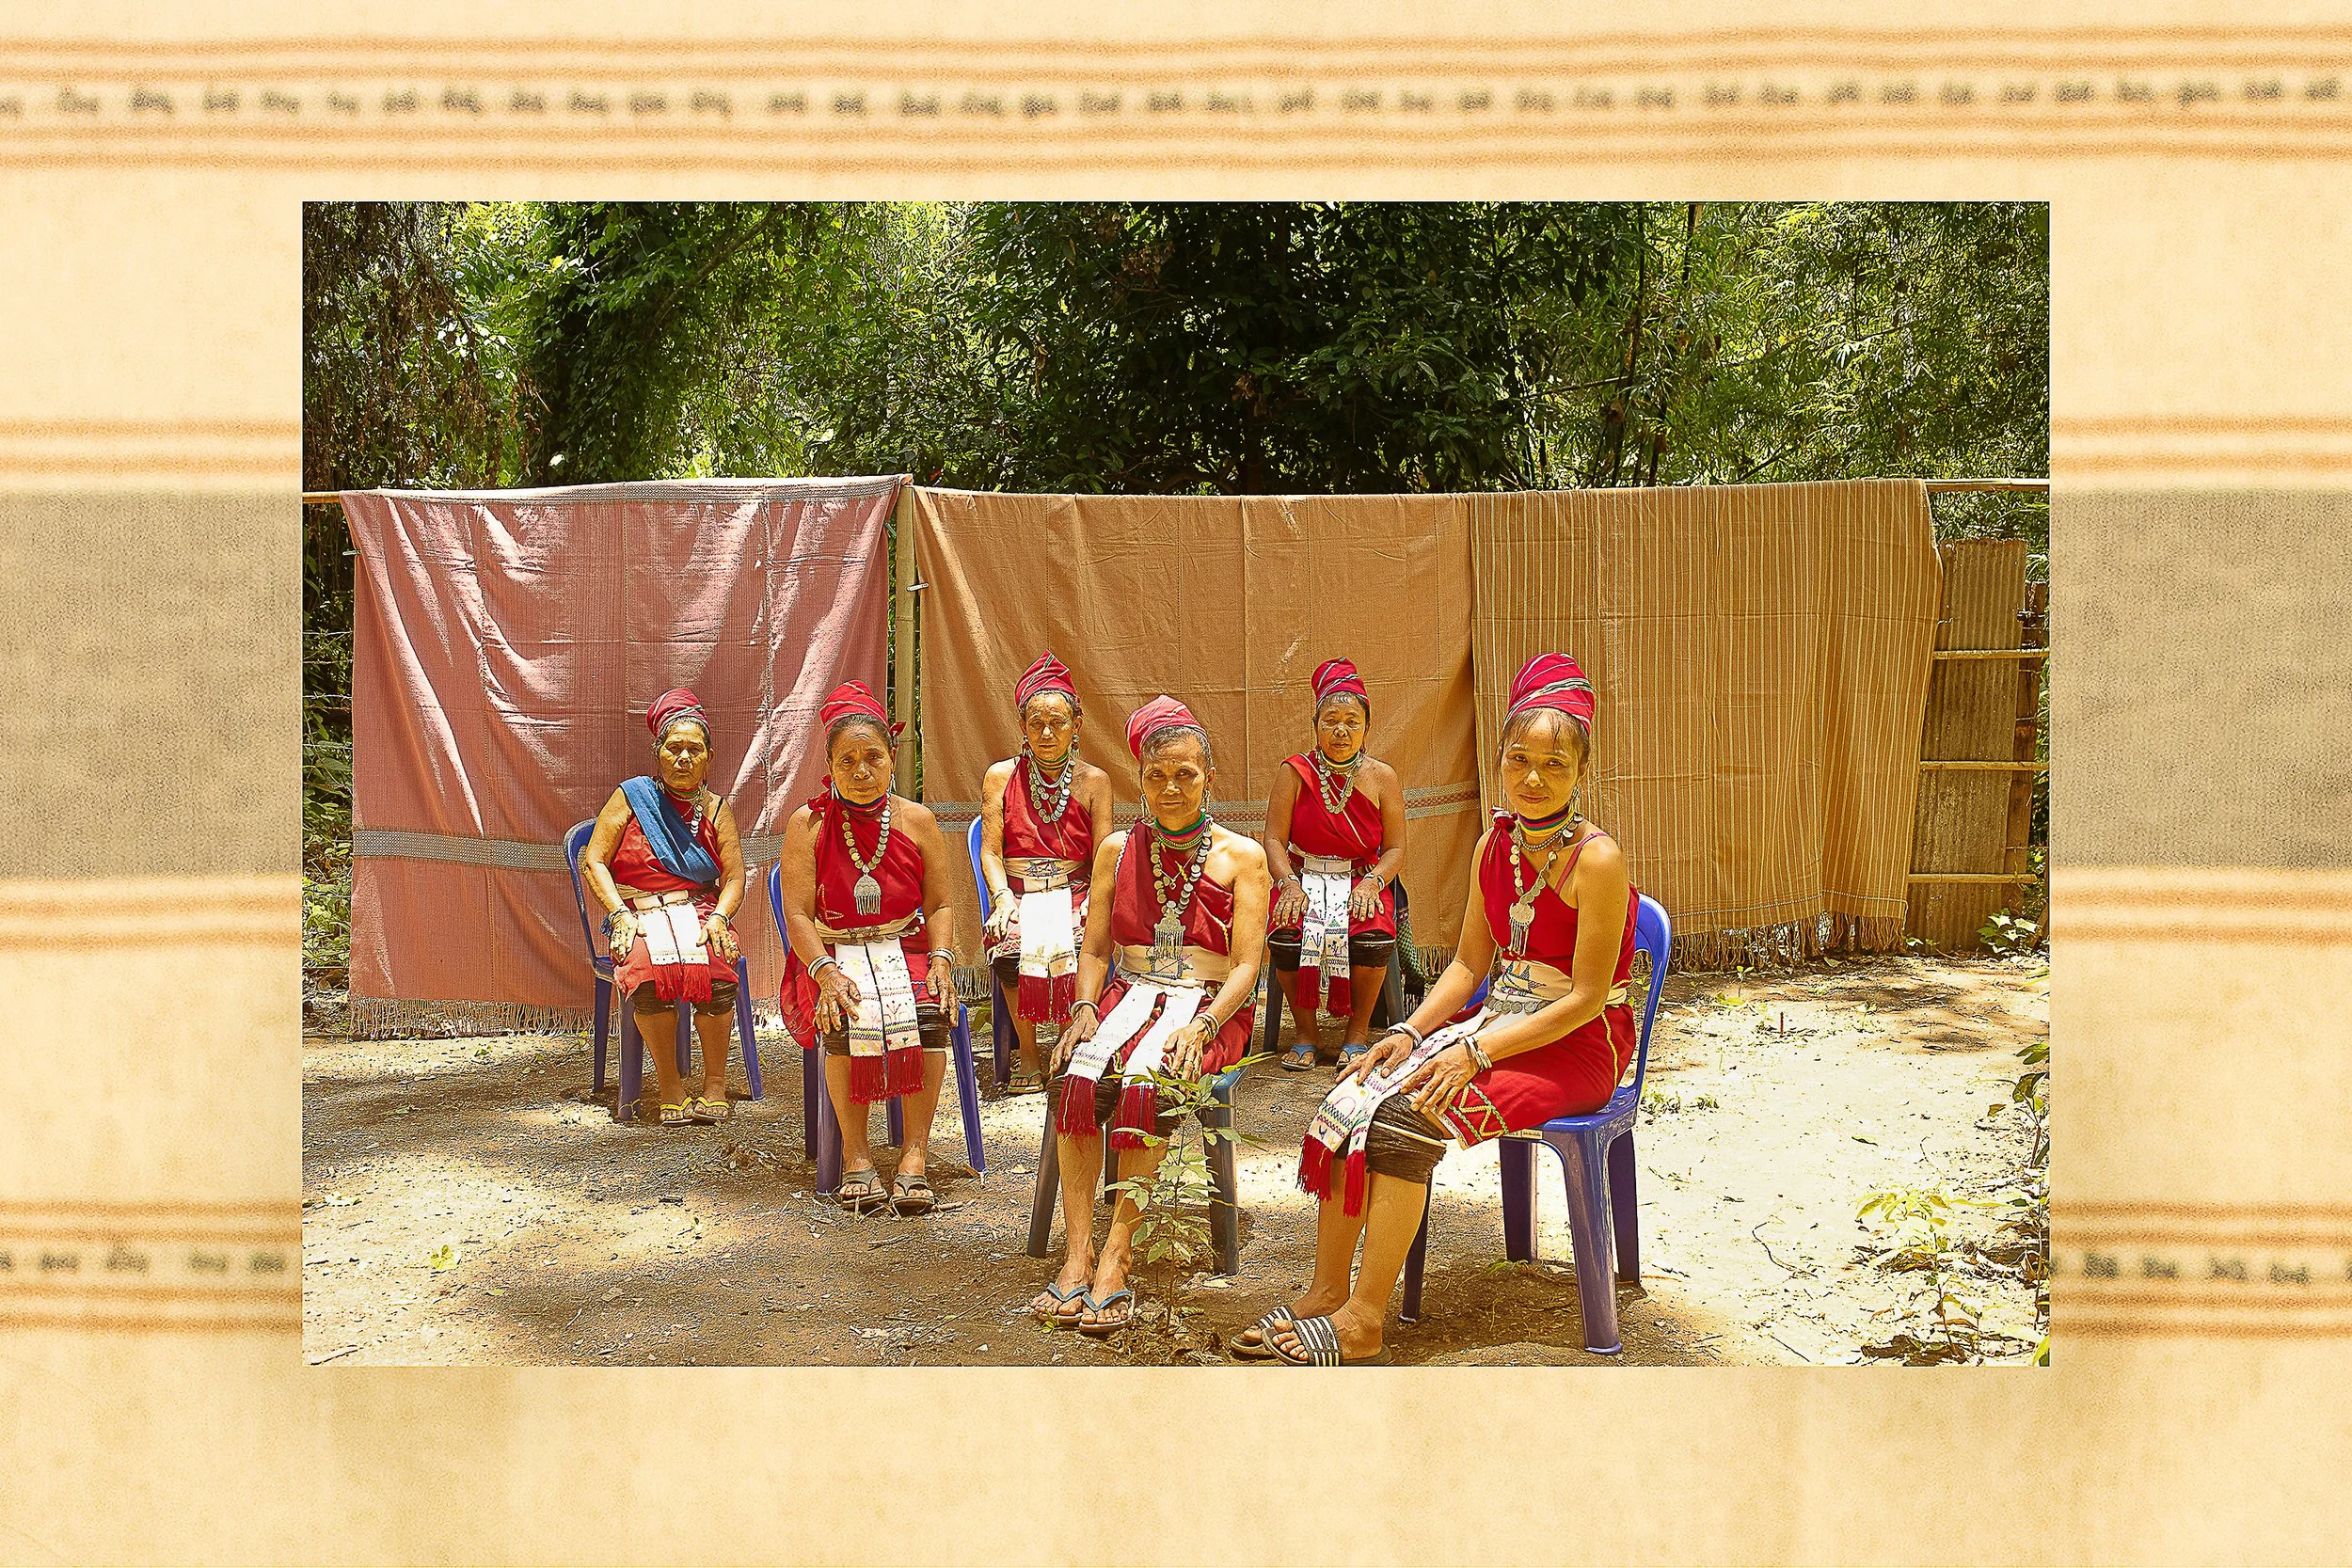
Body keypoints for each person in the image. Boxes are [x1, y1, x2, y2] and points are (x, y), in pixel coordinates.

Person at [1236, 654, 1638, 1366]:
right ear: (1501, 758)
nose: (1534, 778)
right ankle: (1328, 1291)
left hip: (1576, 1043)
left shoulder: (1597, 860)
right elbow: (1467, 967)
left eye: (1555, 763)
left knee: (1406, 1115)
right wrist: (1408, 1030)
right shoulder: (1496, 844)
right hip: (1498, 1024)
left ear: (1582, 771)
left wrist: (1475, 1051)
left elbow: (1583, 998)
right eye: (1519, 760)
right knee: (1355, 1087)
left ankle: (1365, 1319)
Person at [1032, 696, 1271, 1336]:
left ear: (1210, 779)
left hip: (1208, 1005)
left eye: (1186, 774)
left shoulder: (1243, 856)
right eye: (1157, 775)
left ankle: (1118, 1253)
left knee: (1150, 1082)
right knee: (1074, 1078)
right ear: (1139, 778)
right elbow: (1097, 948)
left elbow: (1247, 967)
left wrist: (1204, 1025)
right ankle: (1077, 1250)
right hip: (1128, 992)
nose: (1171, 788)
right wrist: (1085, 1003)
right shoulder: (1116, 848)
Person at [777, 680, 960, 1216]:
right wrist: (825, 972)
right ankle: (856, 1157)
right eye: (848, 760)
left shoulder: (918, 820)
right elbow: (798, 915)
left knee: (929, 1014)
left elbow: (942, 904)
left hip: (910, 948)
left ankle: (914, 1158)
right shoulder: (806, 824)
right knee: (841, 1015)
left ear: (892, 757)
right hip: (829, 954)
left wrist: (945, 962)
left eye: (872, 758)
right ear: (830, 764)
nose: (861, 771)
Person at [579, 688, 747, 1126]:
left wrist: (721, 919)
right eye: (674, 748)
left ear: (709, 757)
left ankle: (713, 1084)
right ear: (658, 753)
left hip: (698, 912)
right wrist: (619, 914)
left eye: (695, 750)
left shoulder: (716, 809)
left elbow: (734, 878)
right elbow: (594, 860)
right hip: (637, 913)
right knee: (647, 972)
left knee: (717, 969)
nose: (684, 758)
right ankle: (670, 1085)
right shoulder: (631, 797)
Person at [977, 651, 1114, 1093]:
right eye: (1036, 723)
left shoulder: (1095, 781)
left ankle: (1068, 1043)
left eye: (1058, 722)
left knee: (1083, 938)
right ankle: (1030, 1052)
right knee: (1011, 944)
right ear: (1022, 726)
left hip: (1074, 890)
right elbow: (991, 853)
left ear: (1077, 724)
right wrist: (1001, 898)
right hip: (1018, 892)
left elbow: (1104, 855)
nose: (1047, 733)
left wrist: (1096, 897)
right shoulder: (1000, 776)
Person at [1263, 657, 1406, 1072]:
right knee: (1288, 933)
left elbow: (1396, 848)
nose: (1340, 730)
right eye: (1330, 720)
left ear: (1366, 726)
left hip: (1362, 878)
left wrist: (1372, 884)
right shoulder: (1294, 772)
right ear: (1315, 726)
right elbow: (1273, 838)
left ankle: (1356, 1034)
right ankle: (1306, 1033)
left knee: (1373, 935)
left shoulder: (1383, 777)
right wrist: (1288, 883)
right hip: (1301, 876)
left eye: (1351, 721)